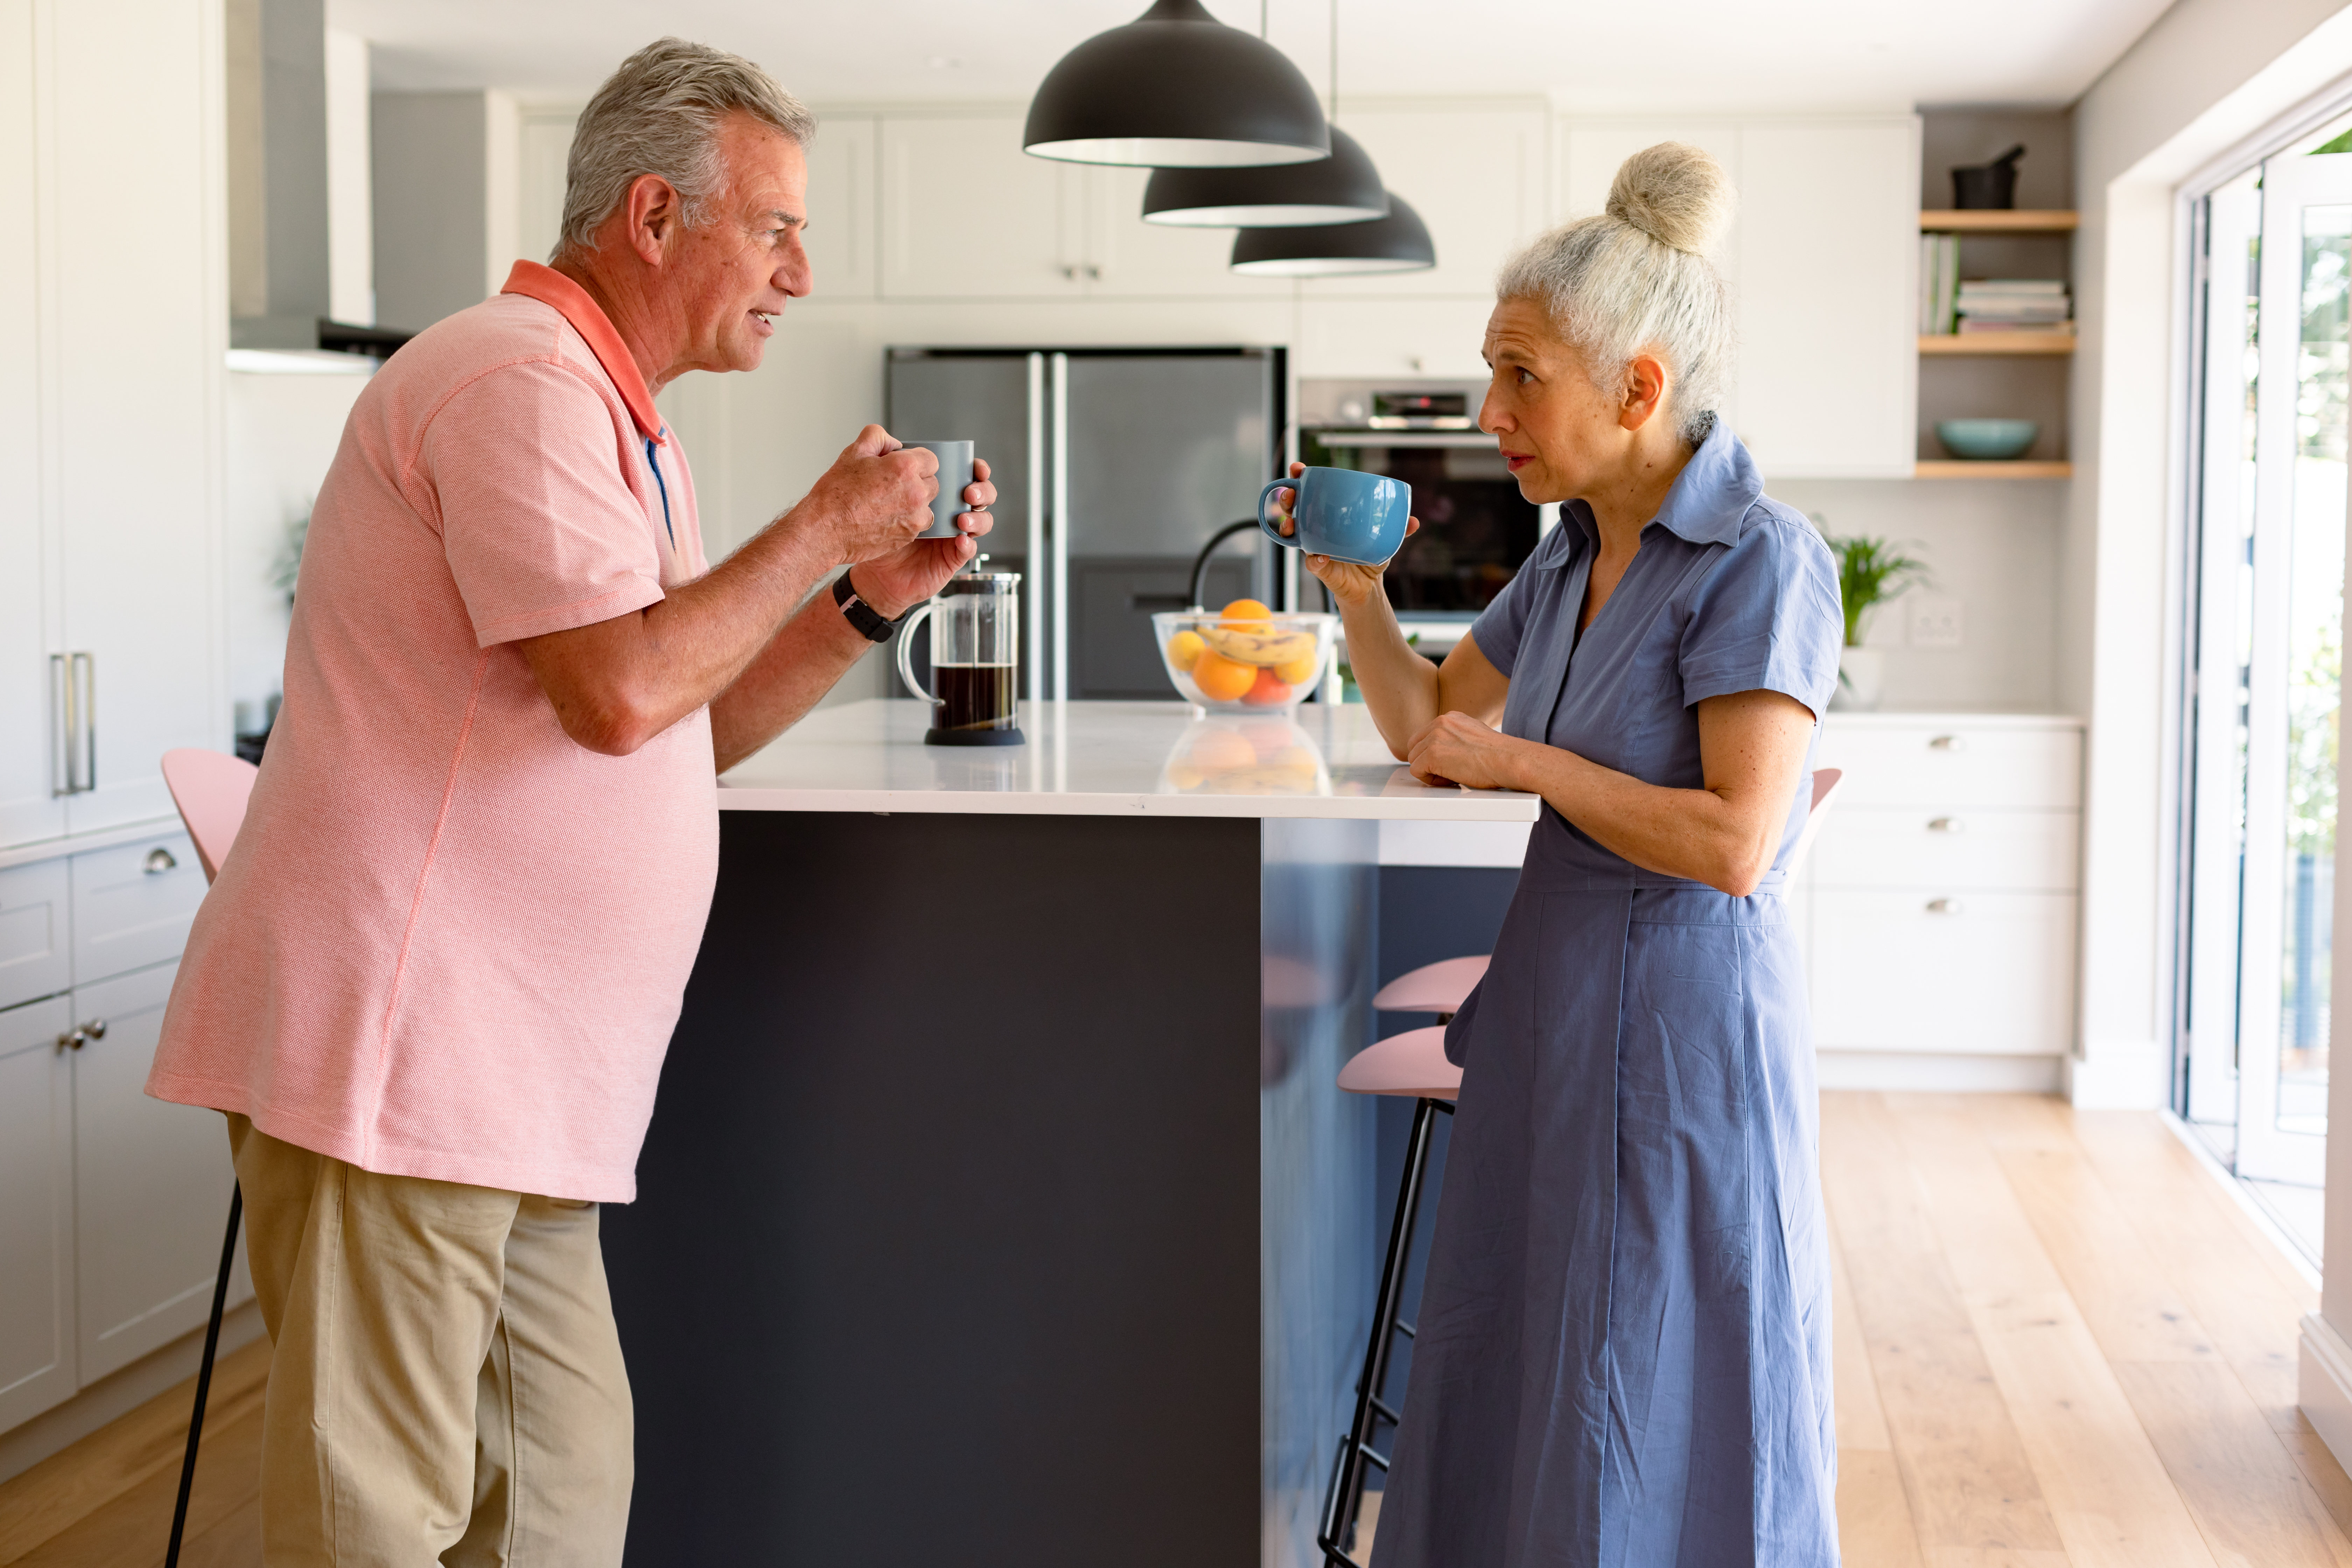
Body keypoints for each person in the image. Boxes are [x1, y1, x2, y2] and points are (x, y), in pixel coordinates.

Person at [143, 38, 990, 1566]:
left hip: (520, 1080)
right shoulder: (517, 381)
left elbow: (678, 723)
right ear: (658, 219)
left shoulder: (614, 419)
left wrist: (861, 598)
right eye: (777, 226)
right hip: (405, 1059)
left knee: (558, 1490)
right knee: (375, 1513)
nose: (805, 267)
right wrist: (815, 523)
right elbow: (618, 693)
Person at [1274, 143, 1843, 1566]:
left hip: (1684, 1039)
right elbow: (1427, 722)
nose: (1492, 411)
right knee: (1532, 1357)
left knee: (1656, 1367)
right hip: (1557, 1010)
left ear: (1638, 389)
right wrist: (1358, 597)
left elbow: (1736, 841)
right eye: (1494, 370)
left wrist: (1522, 761)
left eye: (1523, 376)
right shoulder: (1566, 553)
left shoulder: (1762, 558)